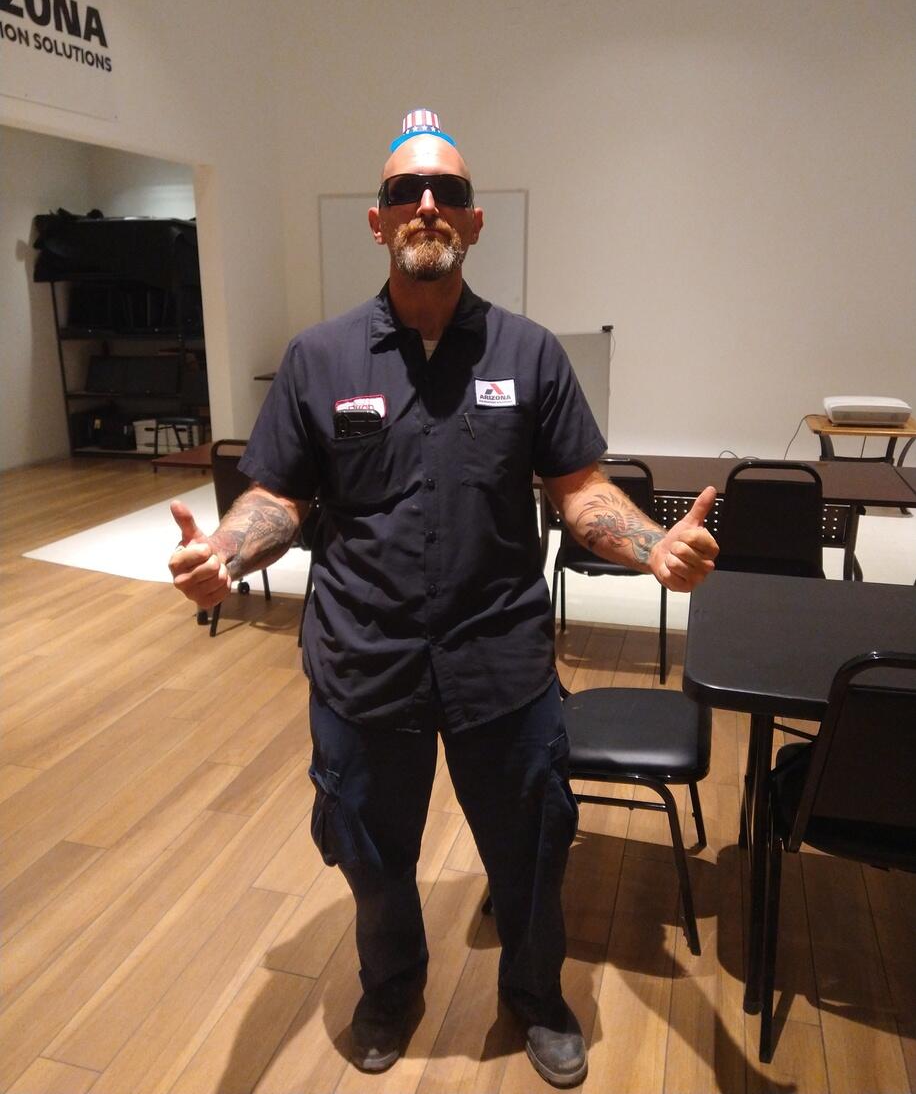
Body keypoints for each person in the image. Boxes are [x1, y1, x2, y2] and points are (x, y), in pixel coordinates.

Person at [169, 109, 719, 1089]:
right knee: (368, 850)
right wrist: (226, 549)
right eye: (404, 192)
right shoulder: (319, 358)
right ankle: (391, 988)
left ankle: (537, 997)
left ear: (472, 221)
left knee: (534, 847)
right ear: (378, 221)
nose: (427, 204)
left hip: (498, 658)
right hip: (362, 659)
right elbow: (280, 497)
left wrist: (651, 546)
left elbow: (580, 490)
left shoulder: (529, 354)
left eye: (449, 192)